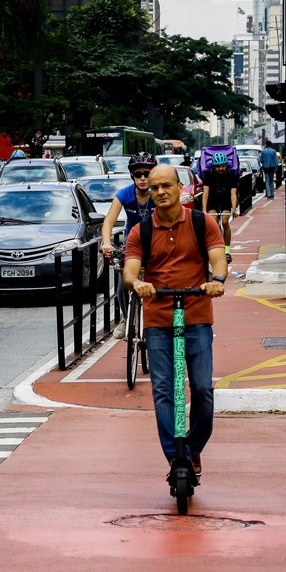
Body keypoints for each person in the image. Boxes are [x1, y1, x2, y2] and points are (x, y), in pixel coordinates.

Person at [122, 163, 227, 479]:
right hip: (157, 318)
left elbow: (218, 257)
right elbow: (130, 269)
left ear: (180, 187)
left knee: (202, 388)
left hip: (195, 313)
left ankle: (192, 449)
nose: (160, 192)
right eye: (153, 188)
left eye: (165, 186)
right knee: (164, 389)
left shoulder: (201, 222)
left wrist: (217, 279)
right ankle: (175, 457)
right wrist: (137, 283)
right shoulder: (143, 230)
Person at [101, 151, 158, 339]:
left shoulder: (159, 194)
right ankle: (127, 317)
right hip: (132, 244)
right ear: (132, 176)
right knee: (123, 280)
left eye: (147, 174)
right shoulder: (124, 194)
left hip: (158, 240)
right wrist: (107, 243)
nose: (142, 178)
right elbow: (108, 221)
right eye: (137, 174)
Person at [201, 151, 238, 264]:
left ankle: (226, 251)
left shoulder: (231, 176)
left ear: (226, 165)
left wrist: (234, 209)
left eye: (222, 166)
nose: (220, 168)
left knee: (225, 222)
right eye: (218, 166)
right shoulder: (208, 175)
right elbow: (205, 193)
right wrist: (204, 209)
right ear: (214, 167)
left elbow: (233, 194)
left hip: (225, 200)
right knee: (213, 222)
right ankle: (214, 248)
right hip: (213, 201)